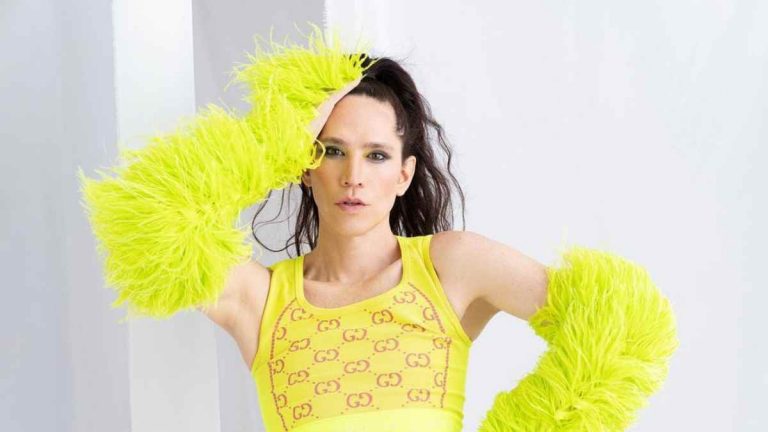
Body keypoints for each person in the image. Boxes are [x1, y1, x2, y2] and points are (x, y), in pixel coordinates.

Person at [78, 25, 678, 432]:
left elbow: (623, 327)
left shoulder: (450, 267)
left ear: (403, 174)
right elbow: (147, 221)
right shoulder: (261, 299)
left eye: (376, 155)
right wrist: (273, 138)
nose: (353, 177)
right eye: (332, 151)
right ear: (304, 166)